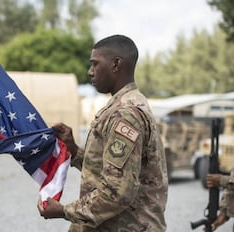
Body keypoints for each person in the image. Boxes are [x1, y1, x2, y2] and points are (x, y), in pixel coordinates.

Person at [37, 35, 168, 231]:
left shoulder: (125, 113)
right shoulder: (125, 104)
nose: (90, 72)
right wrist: (74, 150)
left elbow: (116, 192)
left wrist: (64, 211)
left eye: (95, 64)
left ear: (115, 64)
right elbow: (111, 172)